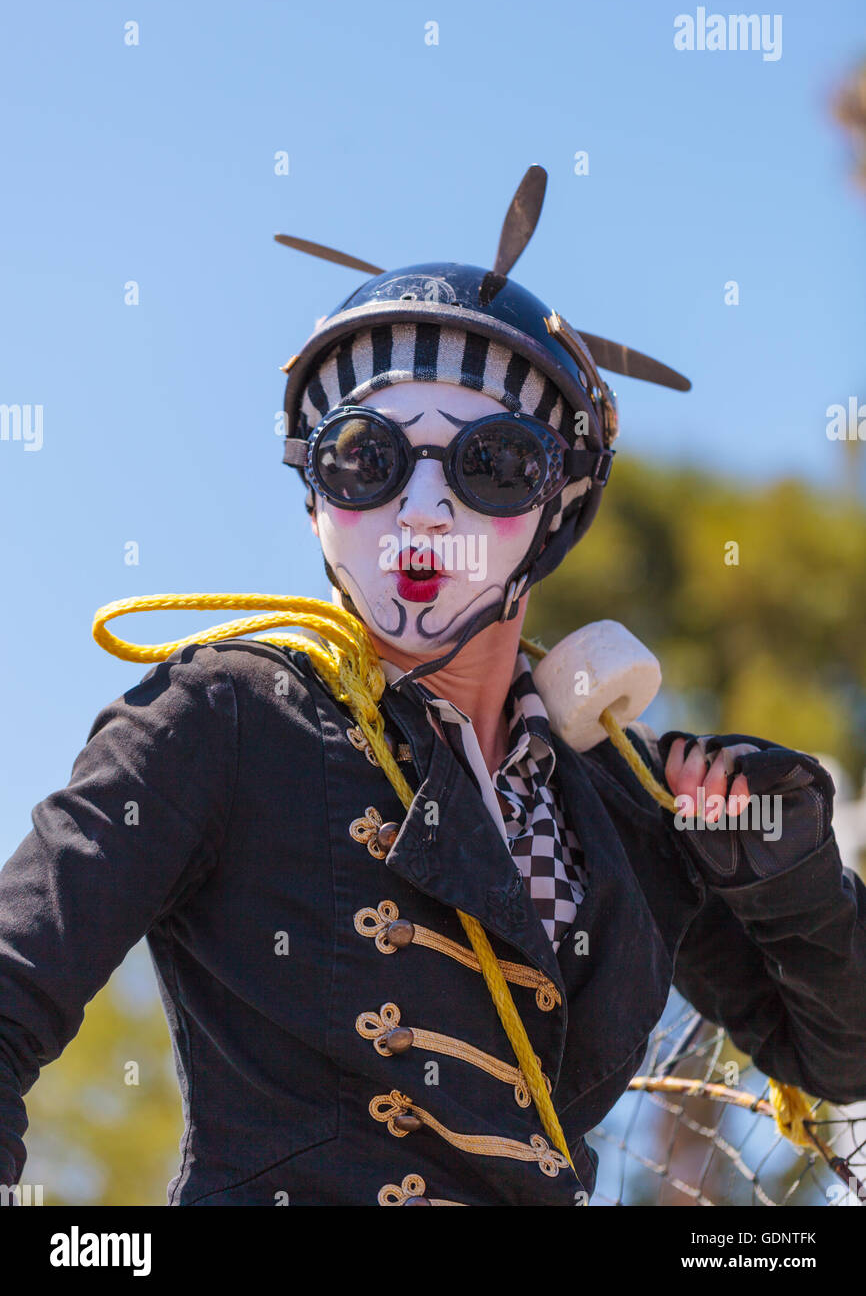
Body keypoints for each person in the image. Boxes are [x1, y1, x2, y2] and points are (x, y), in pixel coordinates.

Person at [1, 234, 865, 1208]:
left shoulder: (619, 797)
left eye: (489, 462)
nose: (419, 511)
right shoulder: (223, 714)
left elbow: (836, 1059)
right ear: (313, 493)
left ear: (562, 499)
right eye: (362, 458)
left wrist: (788, 887)